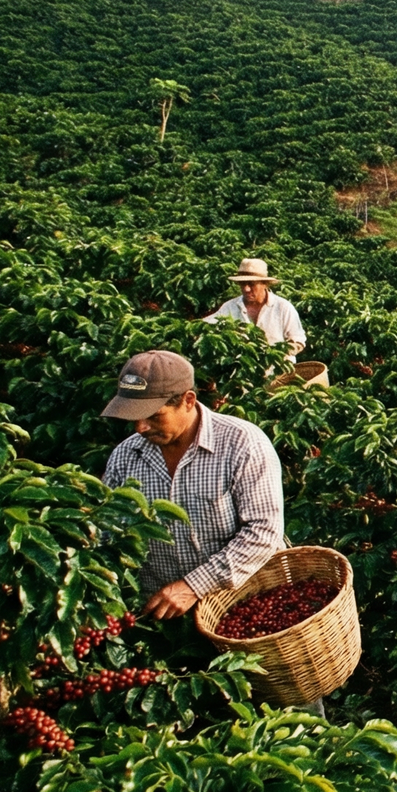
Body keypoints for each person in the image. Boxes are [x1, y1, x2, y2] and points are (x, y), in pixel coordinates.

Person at [100, 350, 286, 619]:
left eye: (153, 416)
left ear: (188, 401)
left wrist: (193, 586)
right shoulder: (126, 456)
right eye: (133, 416)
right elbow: (108, 535)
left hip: (244, 608)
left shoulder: (242, 444)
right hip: (161, 615)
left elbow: (264, 531)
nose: (140, 427)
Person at [209, 258, 307, 362]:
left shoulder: (283, 307)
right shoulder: (230, 307)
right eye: (243, 284)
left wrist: (276, 353)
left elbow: (298, 340)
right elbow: (208, 324)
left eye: (251, 284)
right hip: (242, 372)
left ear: (264, 284)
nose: (246, 289)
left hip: (279, 374)